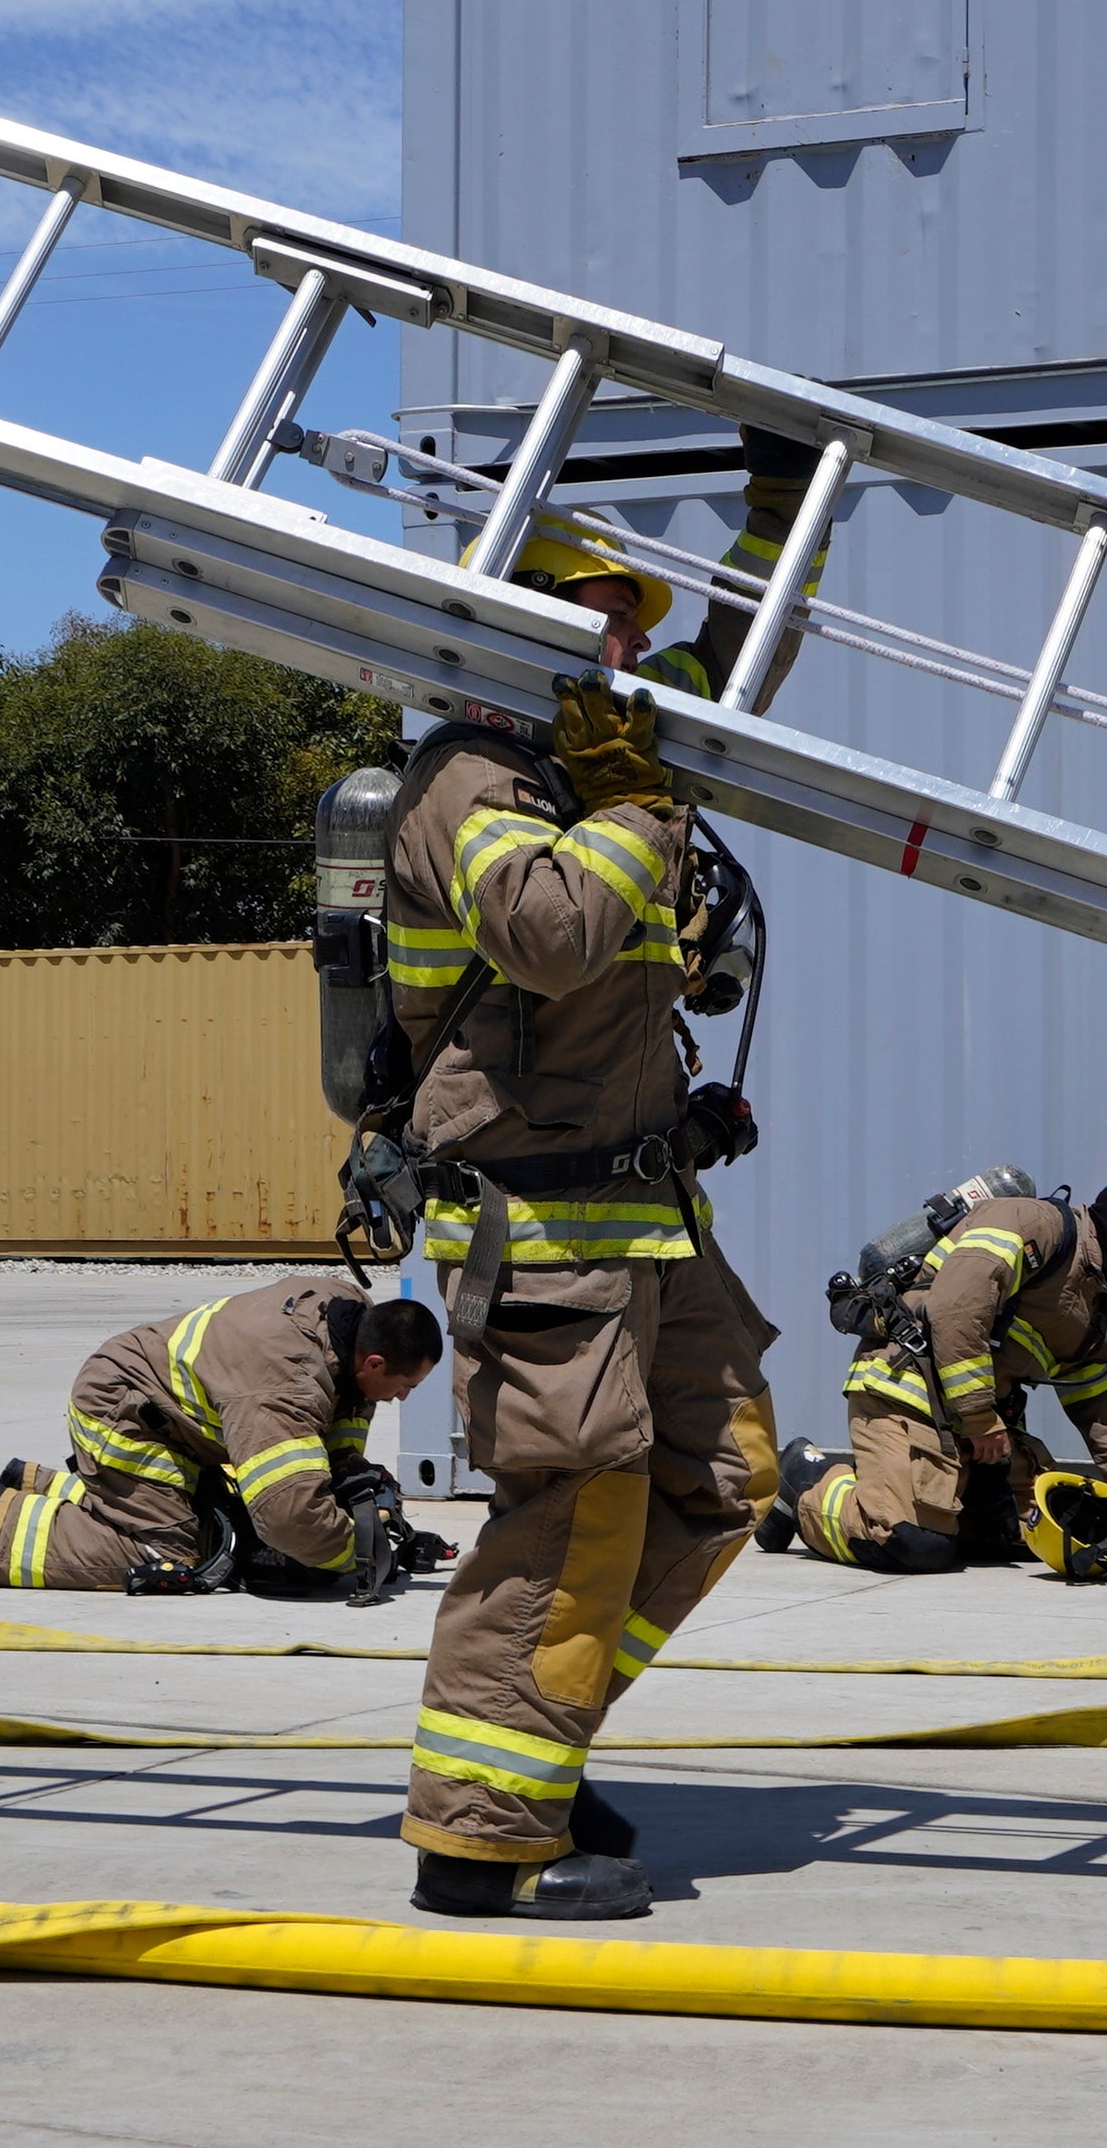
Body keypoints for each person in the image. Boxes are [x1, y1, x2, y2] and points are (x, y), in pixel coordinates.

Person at [377, 664, 781, 1923]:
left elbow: (745, 659)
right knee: (574, 1516)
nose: (627, 645)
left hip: (650, 1223)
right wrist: (638, 812)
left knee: (726, 1477)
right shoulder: (469, 779)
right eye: (598, 612)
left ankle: (534, 1741)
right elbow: (545, 937)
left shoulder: (599, 783)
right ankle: (481, 1838)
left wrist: (781, 520)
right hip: (542, 1232)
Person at [762, 1176, 1107, 1573]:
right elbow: (956, 1312)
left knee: (1039, 1534)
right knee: (910, 1542)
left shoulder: (1092, 1315)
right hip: (908, 1391)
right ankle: (806, 1482)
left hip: (981, 1432)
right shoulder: (1029, 1223)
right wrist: (980, 1420)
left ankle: (900, 1485)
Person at [0, 1277, 442, 1594]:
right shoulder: (282, 1386)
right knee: (179, 1550)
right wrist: (360, 1553)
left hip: (171, 1413)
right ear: (373, 1361)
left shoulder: (346, 1313)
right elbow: (289, 1519)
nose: (404, 1397)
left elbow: (345, 1405)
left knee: (214, 1517)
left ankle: (46, 1487)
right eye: (404, 1384)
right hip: (124, 1412)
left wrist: (349, 1470)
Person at [492, 426, 831, 711]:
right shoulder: (475, 755)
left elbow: (737, 668)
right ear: (539, 613)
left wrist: (788, 492)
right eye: (619, 613)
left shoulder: (642, 703)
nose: (643, 641)